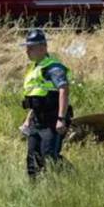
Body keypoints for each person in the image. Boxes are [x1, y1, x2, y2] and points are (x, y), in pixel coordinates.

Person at [20, 29, 73, 179]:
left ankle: (73, 179)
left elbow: (63, 90)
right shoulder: (35, 68)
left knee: (49, 155)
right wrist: (27, 120)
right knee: (32, 156)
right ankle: (34, 189)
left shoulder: (53, 67)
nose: (27, 51)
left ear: (43, 47)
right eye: (27, 47)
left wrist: (61, 119)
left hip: (52, 119)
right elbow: (37, 99)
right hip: (37, 120)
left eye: (31, 47)